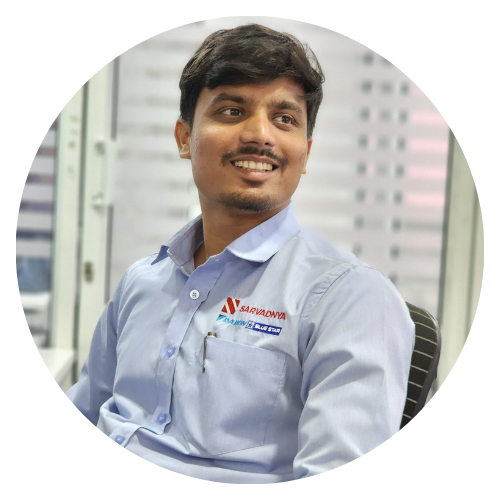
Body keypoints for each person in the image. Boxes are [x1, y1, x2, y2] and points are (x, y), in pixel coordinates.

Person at [66, 23, 414, 483]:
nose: (260, 135)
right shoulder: (142, 281)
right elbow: (90, 407)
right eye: (232, 111)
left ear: (306, 153)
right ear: (184, 138)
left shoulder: (349, 299)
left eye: (284, 118)